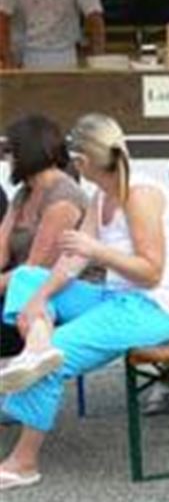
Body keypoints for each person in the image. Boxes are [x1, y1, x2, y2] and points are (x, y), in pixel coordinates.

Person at [0, 114, 169, 488]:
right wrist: (39, 298)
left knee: (54, 355)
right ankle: (36, 346)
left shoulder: (140, 195)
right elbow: (73, 257)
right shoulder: (102, 196)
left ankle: (24, 462)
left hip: (152, 307)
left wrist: (97, 250)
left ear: (84, 161)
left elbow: (151, 272)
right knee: (27, 278)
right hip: (113, 296)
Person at [1, 115, 89, 357]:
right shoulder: (24, 194)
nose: (6, 158)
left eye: (10, 151)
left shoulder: (64, 198)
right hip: (18, 290)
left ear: (27, 152)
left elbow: (35, 269)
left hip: (55, 297)